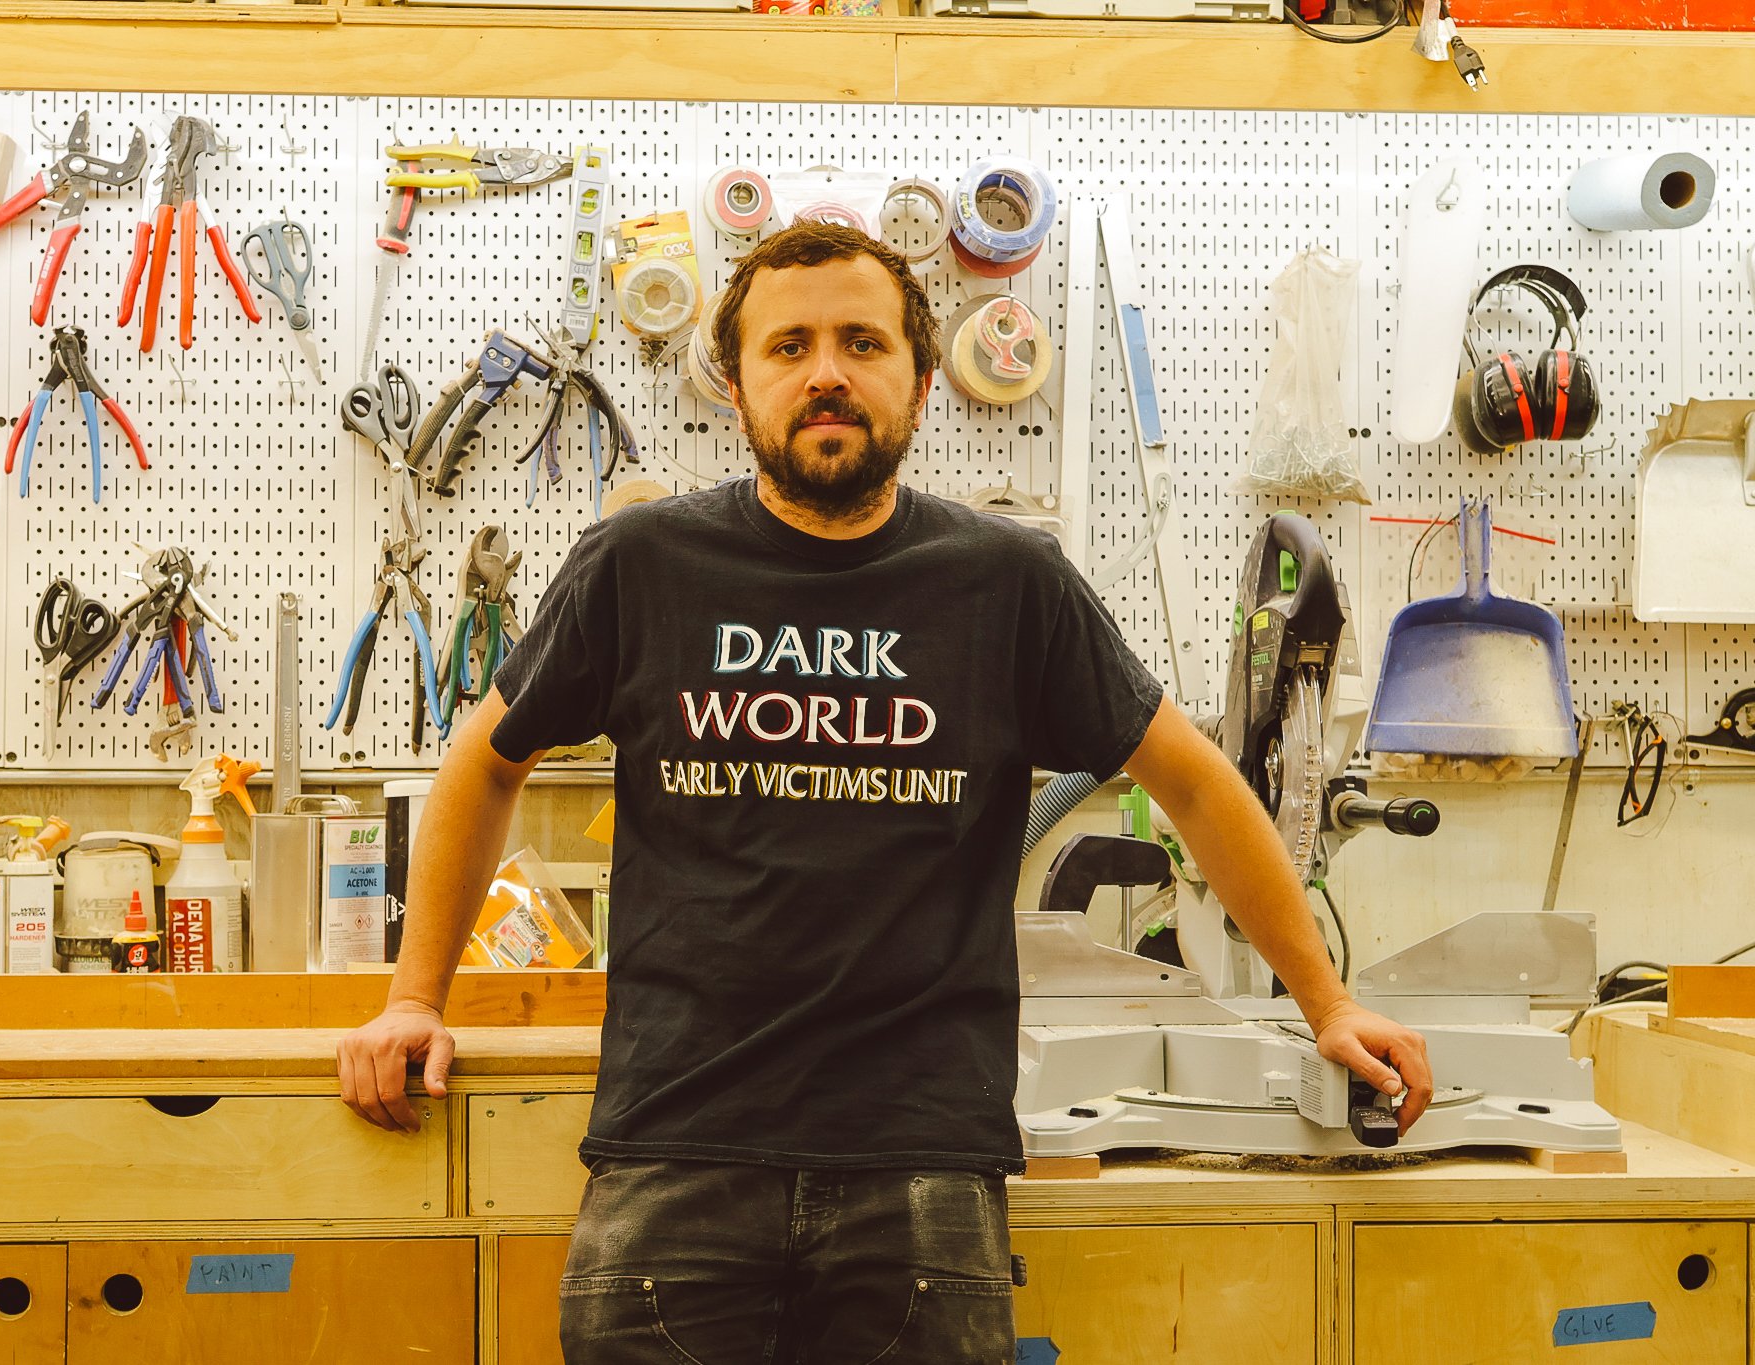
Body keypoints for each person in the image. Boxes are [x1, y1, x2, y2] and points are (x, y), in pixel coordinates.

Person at [338, 220, 1434, 1364]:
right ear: (736, 384)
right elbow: (485, 758)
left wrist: (1327, 1005)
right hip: (678, 1151)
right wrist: (417, 998)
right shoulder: (640, 566)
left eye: (861, 342)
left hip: (920, 1168)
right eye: (788, 346)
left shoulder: (1008, 583)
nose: (824, 372)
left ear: (917, 379)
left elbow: (1198, 787)